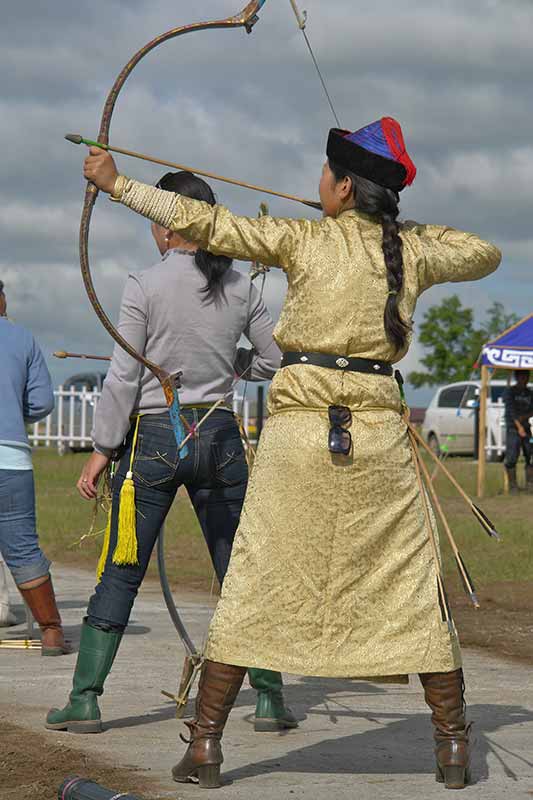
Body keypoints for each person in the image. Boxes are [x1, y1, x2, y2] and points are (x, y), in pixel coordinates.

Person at [81, 117, 501, 790]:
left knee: (254, 579)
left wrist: (117, 184)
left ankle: (206, 746)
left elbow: (206, 224)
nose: (319, 183)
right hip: (378, 438)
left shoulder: (302, 238)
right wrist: (396, 232)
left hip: (301, 436)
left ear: (343, 186)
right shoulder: (407, 251)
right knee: (411, 584)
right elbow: (483, 252)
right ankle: (451, 746)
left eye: (327, 175)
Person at [46, 171, 297, 735]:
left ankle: (85, 700)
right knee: (239, 570)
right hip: (220, 437)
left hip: (155, 440)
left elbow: (122, 377)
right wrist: (231, 365)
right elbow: (273, 360)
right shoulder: (241, 286)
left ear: (166, 224)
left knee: (121, 571)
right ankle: (269, 698)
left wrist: (101, 449)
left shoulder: (145, 283)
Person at [0, 280, 70, 654]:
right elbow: (42, 402)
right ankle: (51, 630)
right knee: (23, 547)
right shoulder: (22, 338)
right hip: (11, 459)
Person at [503, 370, 533, 493]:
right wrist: (519, 426)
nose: (525, 379)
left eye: (527, 377)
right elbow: (511, 411)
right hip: (513, 428)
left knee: (530, 455)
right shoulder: (510, 392)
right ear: (517, 377)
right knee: (511, 457)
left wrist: (525, 418)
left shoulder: (530, 393)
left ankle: (530, 485)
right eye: (522, 376)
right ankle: (513, 486)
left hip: (527, 428)